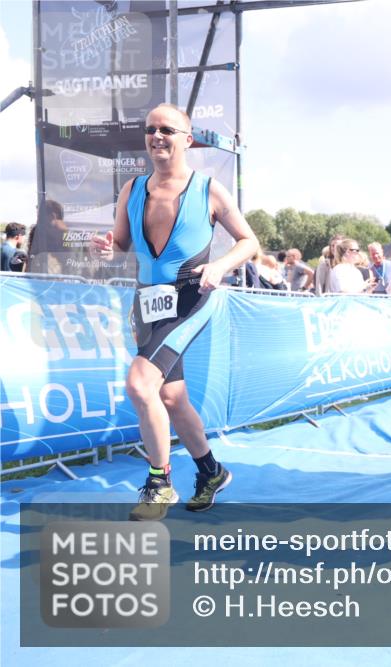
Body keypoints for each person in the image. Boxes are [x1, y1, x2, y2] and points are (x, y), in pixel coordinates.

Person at [91, 103, 259, 521]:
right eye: (150, 129)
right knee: (169, 394)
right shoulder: (132, 189)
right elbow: (123, 245)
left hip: (190, 296)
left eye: (167, 129)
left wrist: (220, 266)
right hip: (146, 302)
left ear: (187, 139)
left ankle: (159, 483)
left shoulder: (209, 189)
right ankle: (211, 471)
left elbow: (248, 242)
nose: (156, 136)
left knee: (139, 383)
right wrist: (110, 247)